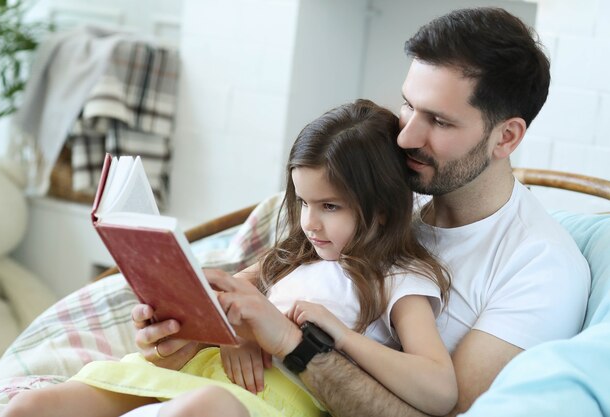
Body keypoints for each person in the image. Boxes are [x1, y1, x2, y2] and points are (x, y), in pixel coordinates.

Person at [133, 7, 591, 417]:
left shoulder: (539, 265)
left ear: (506, 137)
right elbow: (250, 292)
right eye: (409, 105)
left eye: (439, 121)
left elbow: (445, 412)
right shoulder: (387, 190)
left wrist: (296, 346)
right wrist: (177, 335)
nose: (407, 136)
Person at [0, 100, 458, 417]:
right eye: (303, 203)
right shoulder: (291, 257)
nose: (309, 224)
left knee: (205, 408)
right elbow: (225, 301)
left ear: (381, 208)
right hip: (193, 376)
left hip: (258, 402)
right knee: (29, 407)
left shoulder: (398, 278)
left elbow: (439, 391)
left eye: (330, 207)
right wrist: (224, 332)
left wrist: (335, 337)